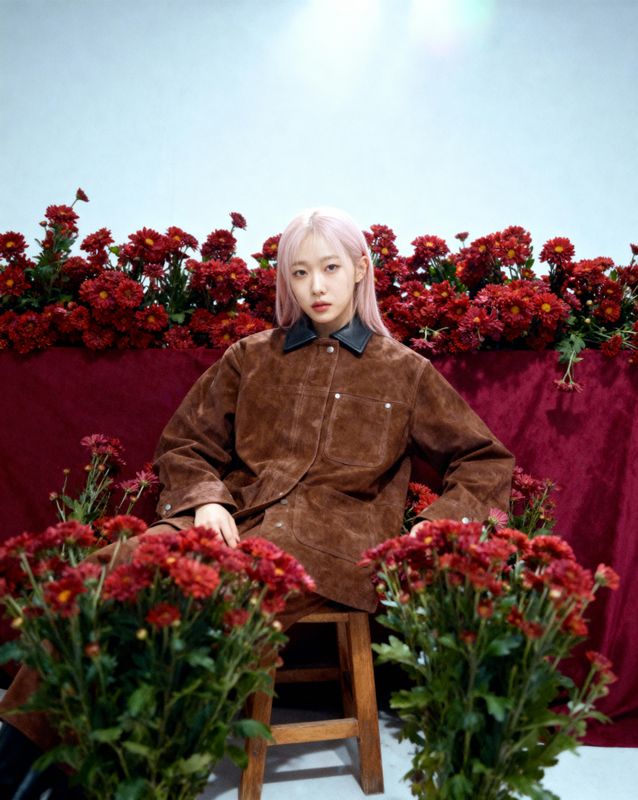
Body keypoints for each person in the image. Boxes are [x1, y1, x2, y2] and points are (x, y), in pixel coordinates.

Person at [0, 206, 514, 798]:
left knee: (190, 607)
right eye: (299, 273)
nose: (315, 287)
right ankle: (18, 762)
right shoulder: (250, 358)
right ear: (284, 280)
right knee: (105, 576)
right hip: (227, 523)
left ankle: (92, 777)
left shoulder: (406, 373)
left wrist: (430, 532)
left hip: (327, 548)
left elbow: (484, 459)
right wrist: (205, 499)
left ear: (360, 270)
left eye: (329, 268)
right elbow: (186, 443)